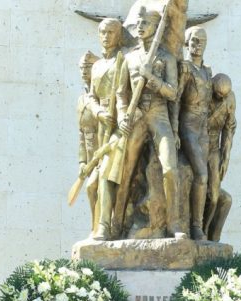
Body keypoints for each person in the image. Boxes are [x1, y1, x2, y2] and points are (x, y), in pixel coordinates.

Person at [116, 7, 182, 239]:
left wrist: (152, 78)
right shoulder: (128, 57)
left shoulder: (167, 58)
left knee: (170, 170)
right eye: (139, 22)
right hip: (135, 118)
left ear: (156, 28)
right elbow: (121, 93)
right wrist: (123, 114)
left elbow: (173, 93)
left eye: (146, 23)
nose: (140, 26)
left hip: (158, 116)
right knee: (125, 172)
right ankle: (116, 224)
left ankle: (174, 225)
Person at [86, 18, 127, 241]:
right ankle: (96, 227)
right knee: (90, 186)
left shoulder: (125, 60)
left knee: (104, 175)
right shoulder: (97, 66)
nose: (106, 36)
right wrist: (99, 113)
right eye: (103, 32)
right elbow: (91, 96)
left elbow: (125, 94)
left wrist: (120, 118)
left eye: (111, 32)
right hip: (103, 122)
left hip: (120, 127)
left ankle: (104, 227)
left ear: (119, 35)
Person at [175, 26, 212, 240]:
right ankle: (196, 227)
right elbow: (176, 99)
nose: (198, 45)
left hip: (203, 129)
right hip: (188, 125)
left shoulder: (207, 71)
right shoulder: (185, 68)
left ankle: (197, 224)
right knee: (201, 174)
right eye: (194, 40)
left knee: (203, 178)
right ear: (187, 42)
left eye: (202, 41)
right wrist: (174, 129)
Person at [204, 72, 235, 241]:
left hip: (214, 150)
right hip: (196, 144)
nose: (221, 99)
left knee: (214, 197)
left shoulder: (230, 99)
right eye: (218, 95)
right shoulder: (203, 93)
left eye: (224, 96)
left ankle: (206, 231)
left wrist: (226, 158)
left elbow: (229, 130)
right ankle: (198, 231)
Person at [77, 50, 100, 235]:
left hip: (105, 153)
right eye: (82, 68)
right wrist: (82, 161)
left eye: (88, 67)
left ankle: (98, 229)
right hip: (91, 157)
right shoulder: (81, 100)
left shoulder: (101, 98)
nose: (84, 71)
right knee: (93, 189)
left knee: (92, 188)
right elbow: (81, 133)